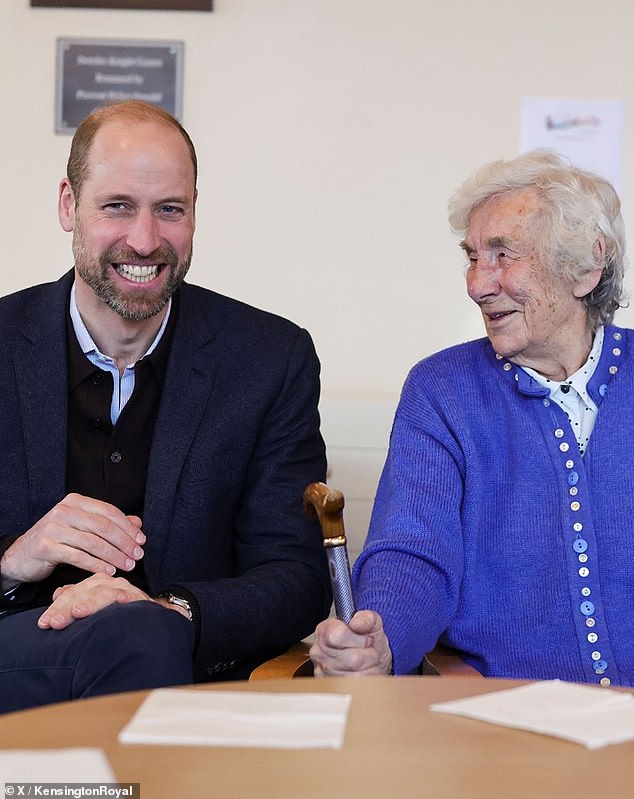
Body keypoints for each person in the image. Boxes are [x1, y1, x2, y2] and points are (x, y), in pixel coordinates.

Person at [0, 100, 331, 713]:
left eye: (170, 210)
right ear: (69, 204)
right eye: (118, 206)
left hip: (179, 664)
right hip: (15, 656)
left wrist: (169, 610)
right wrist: (15, 559)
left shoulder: (269, 359)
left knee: (138, 634)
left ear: (195, 213)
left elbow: (296, 576)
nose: (145, 239)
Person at [311, 150, 634, 687]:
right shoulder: (442, 390)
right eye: (472, 258)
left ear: (586, 266)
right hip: (505, 719)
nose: (477, 285)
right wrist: (381, 639)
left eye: (503, 256)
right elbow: (413, 551)